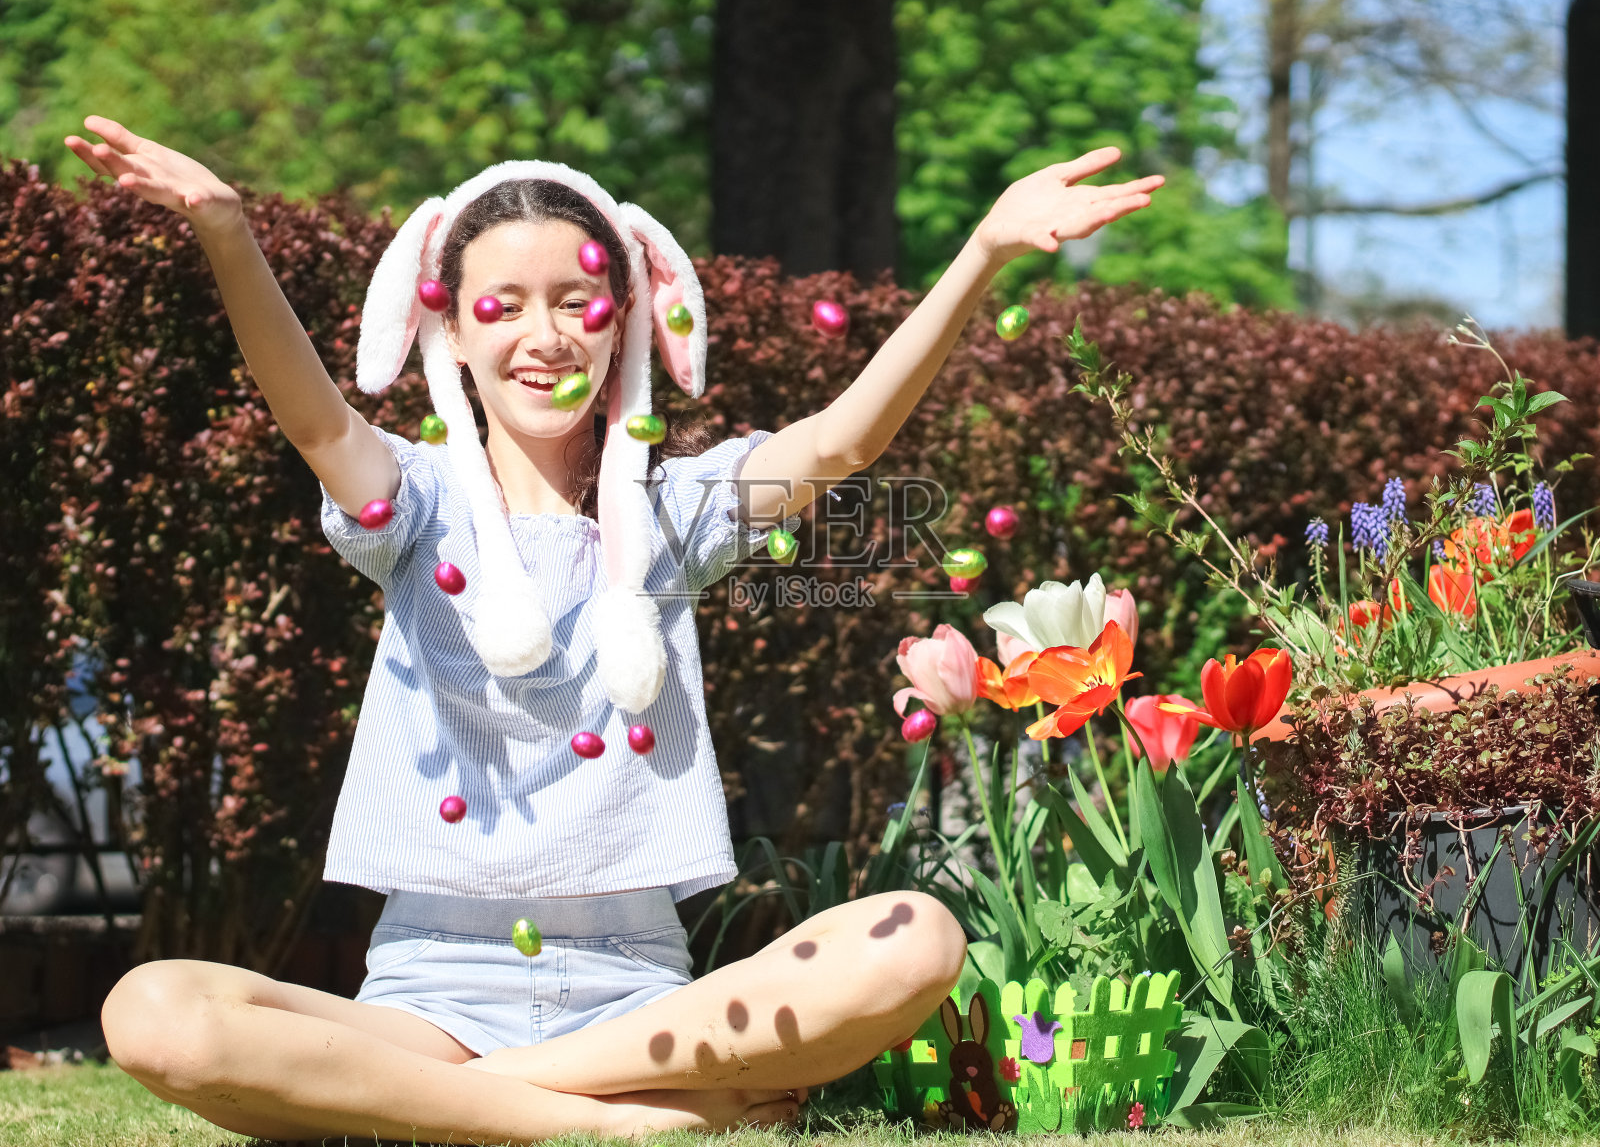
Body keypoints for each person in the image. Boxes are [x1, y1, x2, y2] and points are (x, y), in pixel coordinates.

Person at [68, 113, 1162, 1143]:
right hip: (427, 994)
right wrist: (226, 231)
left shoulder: (674, 515)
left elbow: (839, 447)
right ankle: (602, 1116)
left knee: (916, 936)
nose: (543, 336)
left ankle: (454, 1107)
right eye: (502, 305)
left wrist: (978, 254)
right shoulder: (412, 504)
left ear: (629, 321)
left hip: (639, 994)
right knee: (156, 1009)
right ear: (446, 323)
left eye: (575, 301)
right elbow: (313, 416)